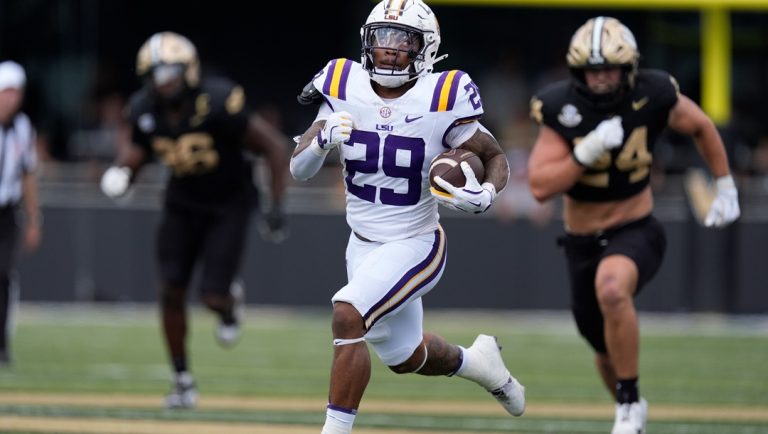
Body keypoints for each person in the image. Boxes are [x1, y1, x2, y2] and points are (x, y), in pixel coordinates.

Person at [290, 1, 524, 432]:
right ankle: (480, 364)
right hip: (361, 243)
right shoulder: (343, 83)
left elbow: (494, 156)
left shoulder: (443, 94)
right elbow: (298, 169)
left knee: (347, 311)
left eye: (404, 40)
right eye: (382, 37)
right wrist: (321, 141)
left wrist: (486, 193)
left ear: (426, 47)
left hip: (416, 241)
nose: (391, 49)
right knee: (404, 356)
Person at [527, 16, 740, 434]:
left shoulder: (654, 92)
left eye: (610, 68)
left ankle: (626, 405)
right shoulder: (561, 107)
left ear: (630, 68)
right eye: (593, 70)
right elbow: (539, 186)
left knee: (612, 287)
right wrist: (583, 154)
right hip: (581, 241)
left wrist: (727, 184)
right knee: (603, 350)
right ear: (577, 72)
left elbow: (700, 125)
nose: (602, 78)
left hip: (635, 228)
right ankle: (632, 406)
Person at [99, 31, 289, 408]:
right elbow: (139, 149)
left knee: (212, 296)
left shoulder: (217, 100)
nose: (162, 81)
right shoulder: (144, 109)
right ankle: (182, 380)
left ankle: (229, 304)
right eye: (155, 73)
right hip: (181, 203)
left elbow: (273, 146)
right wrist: (123, 171)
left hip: (228, 203)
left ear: (188, 69)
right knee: (170, 290)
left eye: (169, 71)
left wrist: (276, 205)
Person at [0, 61, 43, 367]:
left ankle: (1, 344)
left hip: (6, 211)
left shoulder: (23, 127)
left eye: (16, 92)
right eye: (6, 92)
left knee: (3, 275)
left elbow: (28, 175)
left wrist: (33, 218)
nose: (11, 98)